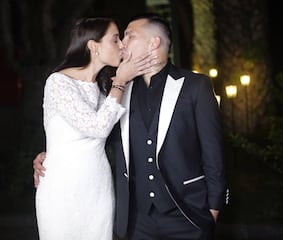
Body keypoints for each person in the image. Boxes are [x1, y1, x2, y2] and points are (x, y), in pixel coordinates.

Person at [34, 13, 227, 240]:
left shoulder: (195, 86)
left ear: (153, 42)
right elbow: (94, 131)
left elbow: (213, 152)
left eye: (128, 36)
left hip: (187, 215)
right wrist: (51, 154)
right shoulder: (117, 92)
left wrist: (214, 209)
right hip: (136, 220)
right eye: (117, 38)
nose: (122, 44)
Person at [34, 17, 158, 240]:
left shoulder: (104, 88)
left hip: (97, 187)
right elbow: (98, 127)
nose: (121, 45)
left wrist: (121, 80)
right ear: (93, 46)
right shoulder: (58, 82)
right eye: (115, 39)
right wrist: (121, 79)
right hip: (61, 188)